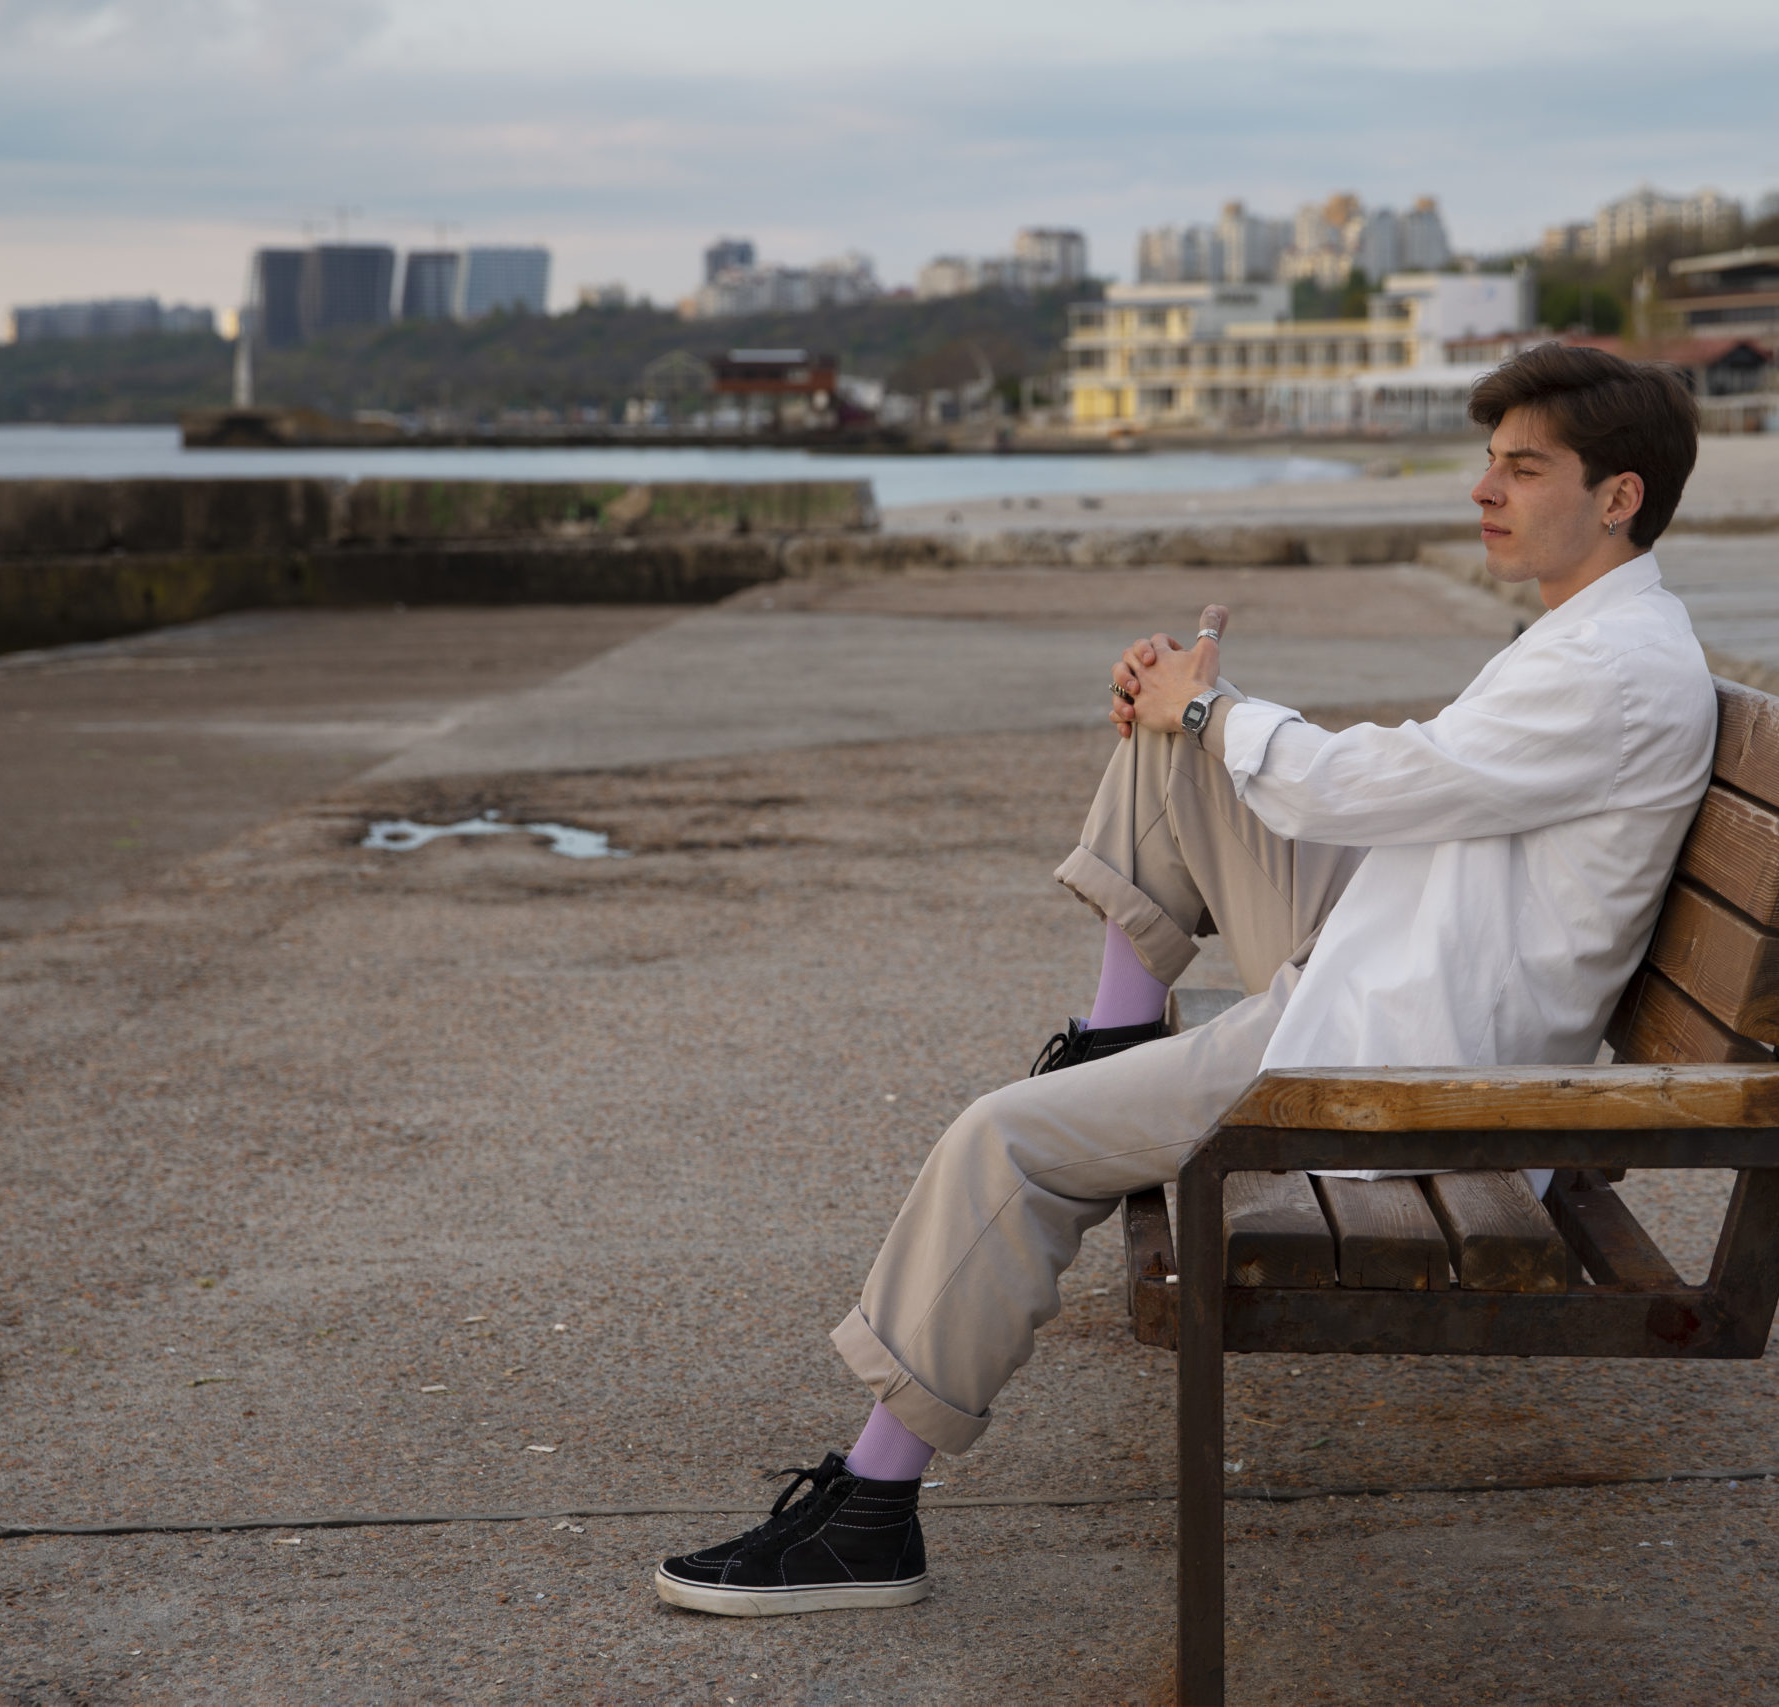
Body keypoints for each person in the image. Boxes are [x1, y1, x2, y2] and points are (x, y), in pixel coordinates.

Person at [652, 343, 1719, 1617]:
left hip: (1404, 1073)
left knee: (1004, 1139)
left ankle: (871, 1517)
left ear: (1618, 497)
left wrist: (1210, 711)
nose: (1483, 490)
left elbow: (1365, 786)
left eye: (1523, 469)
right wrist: (1193, 716)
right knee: (1176, 752)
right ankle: (1114, 1046)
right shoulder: (1598, 636)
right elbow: (1402, 785)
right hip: (1393, 970)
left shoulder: (1608, 670)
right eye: (1488, 462)